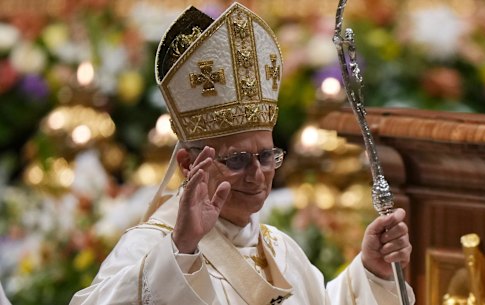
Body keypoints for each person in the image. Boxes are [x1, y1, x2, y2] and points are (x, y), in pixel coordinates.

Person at [69, 2, 415, 305]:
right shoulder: (150, 245)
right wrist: (183, 248)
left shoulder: (282, 251)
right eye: (236, 160)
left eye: (266, 157)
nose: (257, 174)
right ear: (188, 164)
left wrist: (372, 270)